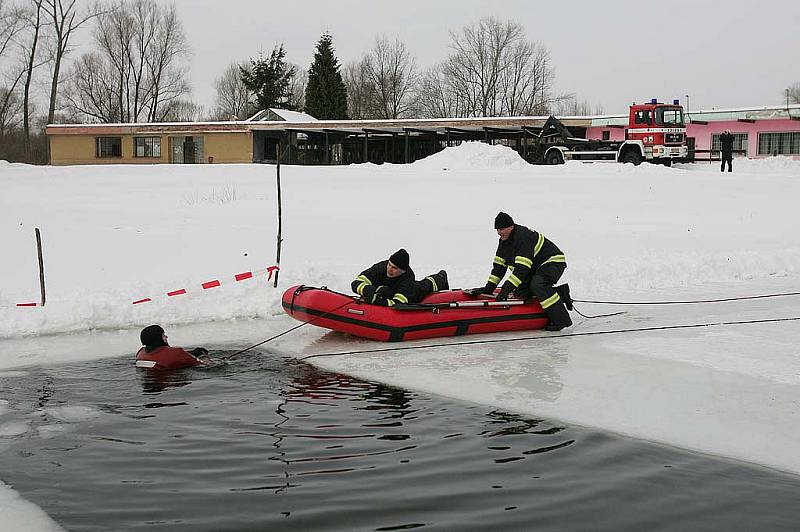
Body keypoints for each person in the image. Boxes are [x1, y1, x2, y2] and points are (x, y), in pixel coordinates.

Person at [468, 212, 572, 331]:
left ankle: (561, 320)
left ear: (511, 226)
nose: (499, 232)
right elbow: (499, 267)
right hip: (536, 267)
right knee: (522, 292)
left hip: (552, 262)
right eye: (497, 229)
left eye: (501, 229)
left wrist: (506, 289)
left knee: (538, 285)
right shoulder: (504, 240)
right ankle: (560, 293)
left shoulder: (523, 238)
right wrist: (489, 288)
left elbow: (522, 269)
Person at [351, 248, 449, 306]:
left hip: (411, 291)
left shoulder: (408, 277)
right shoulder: (381, 267)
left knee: (423, 286)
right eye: (389, 264)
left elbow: (398, 303)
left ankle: (441, 277)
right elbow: (356, 283)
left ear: (402, 271)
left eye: (394, 268)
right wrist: (372, 290)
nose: (389, 269)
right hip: (390, 291)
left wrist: (379, 301)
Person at [135, 324, 209, 370]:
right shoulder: (176, 352)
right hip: (169, 380)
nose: (166, 337)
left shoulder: (141, 353)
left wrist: (192, 353)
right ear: (158, 339)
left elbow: (163, 356)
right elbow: (204, 364)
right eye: (163, 335)